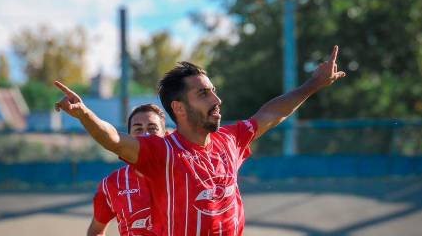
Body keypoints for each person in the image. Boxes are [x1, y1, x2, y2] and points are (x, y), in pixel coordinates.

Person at [55, 45, 345, 235]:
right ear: (179, 109)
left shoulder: (230, 140)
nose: (217, 100)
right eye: (204, 94)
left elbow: (271, 113)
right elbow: (115, 140)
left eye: (213, 91)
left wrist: (313, 84)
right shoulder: (161, 153)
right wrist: (84, 114)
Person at [87, 104, 167, 236]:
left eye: (152, 129)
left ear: (165, 134)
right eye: (138, 129)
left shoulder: (185, 173)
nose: (145, 134)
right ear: (128, 137)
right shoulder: (112, 184)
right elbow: (96, 230)